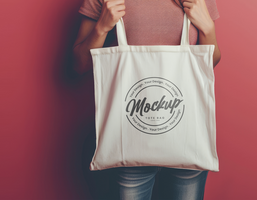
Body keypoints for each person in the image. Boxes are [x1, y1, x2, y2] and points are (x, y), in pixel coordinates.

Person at [73, 0, 221, 199]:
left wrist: (208, 28)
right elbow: (79, 64)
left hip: (186, 135)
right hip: (129, 139)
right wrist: (101, 28)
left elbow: (209, 64)